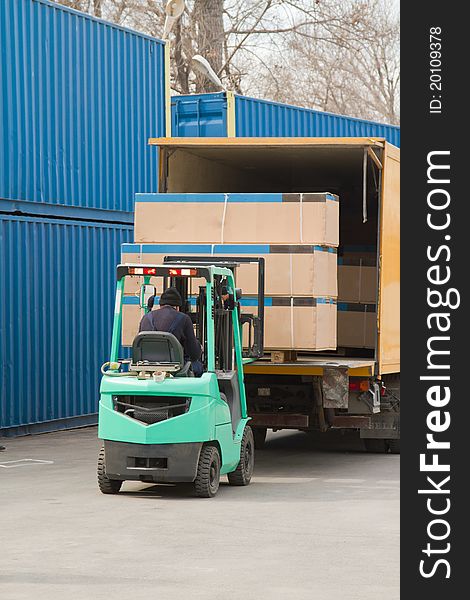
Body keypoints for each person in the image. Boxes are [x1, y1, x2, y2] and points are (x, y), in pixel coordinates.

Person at [139, 287, 203, 375]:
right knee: (197, 366)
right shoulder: (184, 319)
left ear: (161, 304)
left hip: (147, 367)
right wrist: (199, 348)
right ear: (177, 306)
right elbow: (193, 353)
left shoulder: (146, 318)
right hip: (174, 369)